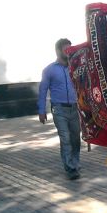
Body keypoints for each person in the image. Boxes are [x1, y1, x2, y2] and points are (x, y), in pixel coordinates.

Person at [38, 38, 81, 180]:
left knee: (75, 138)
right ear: (58, 51)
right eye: (65, 49)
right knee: (66, 138)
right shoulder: (49, 70)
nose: (68, 52)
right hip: (59, 109)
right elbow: (43, 90)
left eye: (70, 49)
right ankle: (70, 167)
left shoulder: (75, 68)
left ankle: (75, 162)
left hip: (75, 109)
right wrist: (41, 110)